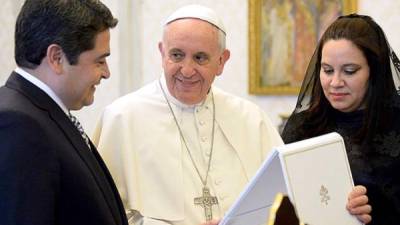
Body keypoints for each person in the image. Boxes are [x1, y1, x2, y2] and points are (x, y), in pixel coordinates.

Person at [93, 4, 283, 225]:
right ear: (162, 53)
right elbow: (102, 213)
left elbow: (282, 200)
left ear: (221, 61)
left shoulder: (250, 118)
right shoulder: (121, 118)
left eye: (200, 58)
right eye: (177, 55)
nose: (187, 70)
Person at [0, 1, 128, 225]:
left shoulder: (39, 113)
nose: (106, 73)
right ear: (57, 58)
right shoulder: (19, 125)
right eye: (99, 60)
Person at [282, 14, 400, 225]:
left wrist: (374, 213)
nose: (335, 82)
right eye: (327, 70)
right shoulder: (301, 129)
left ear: (375, 72)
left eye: (349, 71)